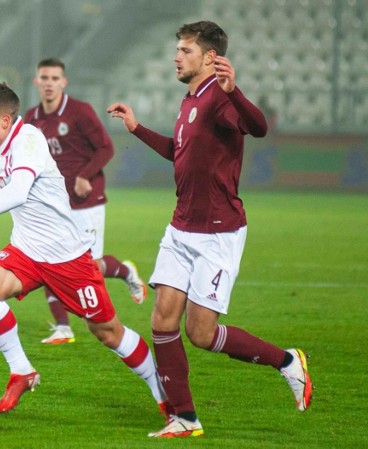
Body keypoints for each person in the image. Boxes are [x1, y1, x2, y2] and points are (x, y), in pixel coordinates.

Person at [107, 21, 313, 438]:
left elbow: (259, 129)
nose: (176, 56)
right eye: (178, 49)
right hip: (180, 227)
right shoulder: (189, 100)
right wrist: (137, 129)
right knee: (163, 323)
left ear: (209, 57)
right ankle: (183, 417)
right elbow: (177, 152)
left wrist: (234, 89)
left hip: (217, 233)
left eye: (185, 50)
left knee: (200, 333)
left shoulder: (220, 98)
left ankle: (288, 362)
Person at [0, 82, 171, 421]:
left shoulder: (28, 140)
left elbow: (18, 193)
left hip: (67, 257)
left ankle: (165, 396)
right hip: (26, 250)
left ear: (4, 120)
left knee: (108, 333)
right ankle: (22, 371)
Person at [24, 57, 147, 345]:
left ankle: (126, 271)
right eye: (44, 78)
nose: (49, 83)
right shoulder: (31, 119)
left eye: (55, 78)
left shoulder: (80, 112)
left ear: (63, 82)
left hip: (86, 199)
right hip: (53, 204)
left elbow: (106, 147)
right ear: (36, 82)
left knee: (89, 266)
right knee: (47, 260)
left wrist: (85, 175)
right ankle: (63, 328)